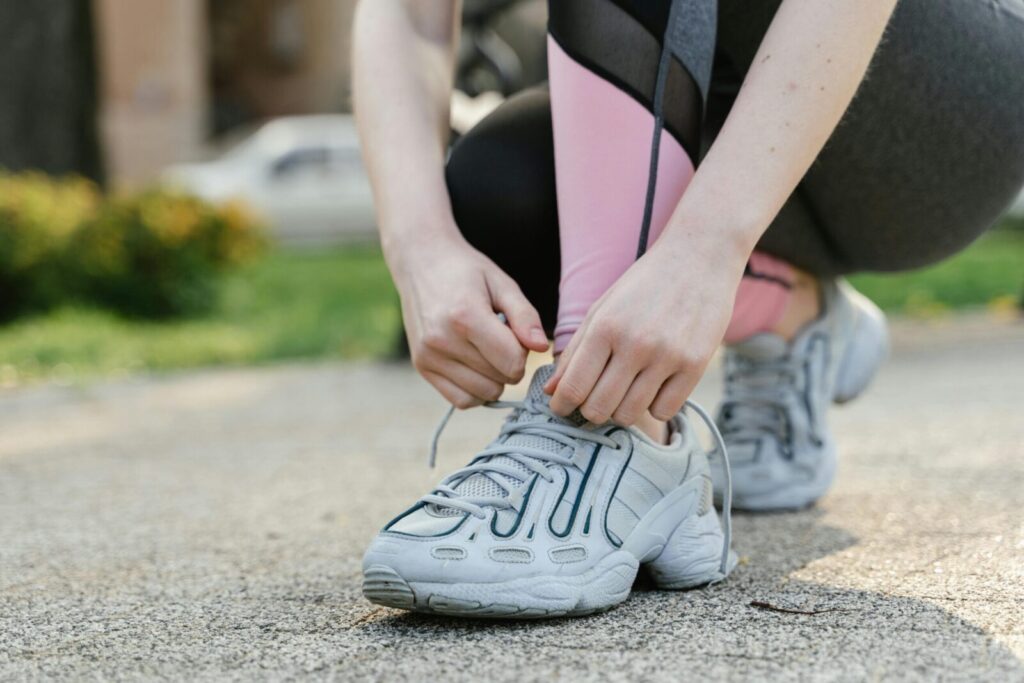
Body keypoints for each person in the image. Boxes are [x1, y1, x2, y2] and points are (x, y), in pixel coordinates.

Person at [352, 0, 1024, 618]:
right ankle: (791, 310)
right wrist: (422, 249)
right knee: (497, 188)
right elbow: (407, 13)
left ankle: (616, 426)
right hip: (735, 117)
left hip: (942, 114)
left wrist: (709, 246)